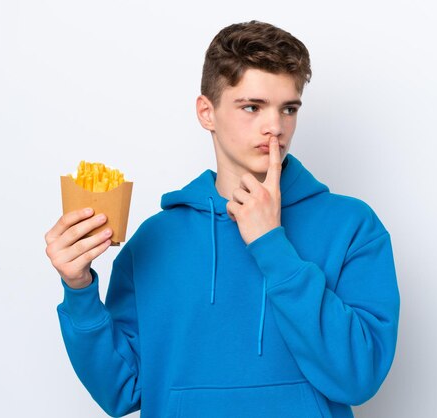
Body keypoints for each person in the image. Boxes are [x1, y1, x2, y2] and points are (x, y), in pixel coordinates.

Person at [45, 20, 400, 418]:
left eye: (289, 108)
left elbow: (359, 376)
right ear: (207, 112)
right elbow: (121, 390)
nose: (275, 127)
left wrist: (272, 246)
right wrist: (78, 290)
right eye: (252, 107)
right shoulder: (156, 238)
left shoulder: (352, 226)